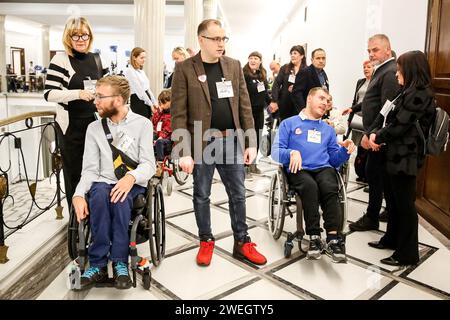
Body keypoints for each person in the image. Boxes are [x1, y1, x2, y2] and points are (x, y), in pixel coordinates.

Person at [171, 19, 267, 267]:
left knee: (238, 194)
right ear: (201, 39)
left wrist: (251, 142)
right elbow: (178, 113)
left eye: (224, 38)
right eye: (216, 39)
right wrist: (182, 151)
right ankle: (206, 240)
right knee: (202, 194)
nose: (221, 43)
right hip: (202, 140)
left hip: (231, 140)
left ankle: (242, 241)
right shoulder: (184, 69)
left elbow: (244, 106)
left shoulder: (234, 66)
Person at [72, 75, 156, 290]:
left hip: (133, 181)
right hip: (104, 180)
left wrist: (130, 178)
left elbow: (149, 165)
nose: (95, 101)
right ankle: (98, 263)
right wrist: (79, 194)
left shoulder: (143, 124)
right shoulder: (94, 129)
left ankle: (120, 261)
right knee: (99, 196)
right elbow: (90, 170)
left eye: (100, 97)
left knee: (120, 200)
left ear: (118, 100)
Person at [271, 87, 355, 263]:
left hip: (323, 168)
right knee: (310, 187)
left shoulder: (328, 129)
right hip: (299, 169)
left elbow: (334, 160)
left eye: (327, 100)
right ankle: (314, 237)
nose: (325, 103)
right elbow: (276, 151)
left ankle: (333, 238)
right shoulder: (289, 123)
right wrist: (291, 153)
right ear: (309, 99)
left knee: (330, 186)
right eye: (321, 98)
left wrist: (345, 150)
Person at [367, 51, 435, 266]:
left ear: (411, 69)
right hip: (395, 154)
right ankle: (391, 239)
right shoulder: (407, 91)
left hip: (406, 157)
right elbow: (388, 116)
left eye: (400, 69)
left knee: (405, 206)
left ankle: (407, 254)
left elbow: (400, 125)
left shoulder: (420, 94)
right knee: (394, 202)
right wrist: (376, 132)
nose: (397, 73)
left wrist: (377, 136)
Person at [44, 17, 108, 207]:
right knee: (75, 172)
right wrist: (78, 94)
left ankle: (95, 214)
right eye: (75, 35)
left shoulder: (95, 58)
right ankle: (76, 219)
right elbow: (49, 93)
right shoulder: (61, 59)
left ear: (90, 36)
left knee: (97, 170)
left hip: (95, 123)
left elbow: (104, 86)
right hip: (71, 127)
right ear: (68, 38)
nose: (81, 39)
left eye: (84, 35)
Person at [342, 34, 400, 232]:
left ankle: (372, 216)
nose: (371, 54)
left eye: (375, 50)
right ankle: (378, 213)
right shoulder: (381, 69)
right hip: (375, 133)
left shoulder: (390, 71)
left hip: (379, 137)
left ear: (387, 49)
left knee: (374, 175)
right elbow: (372, 100)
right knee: (374, 174)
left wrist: (372, 133)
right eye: (369, 50)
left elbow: (387, 107)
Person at [243, 51, 271, 174]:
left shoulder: (261, 76)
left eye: (256, 58)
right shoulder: (244, 74)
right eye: (251, 58)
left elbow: (265, 93)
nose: (253, 60)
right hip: (247, 112)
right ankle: (245, 166)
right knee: (248, 138)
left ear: (260, 61)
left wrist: (271, 103)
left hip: (259, 111)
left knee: (258, 136)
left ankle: (253, 164)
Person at [348, 60, 374, 183]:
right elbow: (355, 100)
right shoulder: (360, 82)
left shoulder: (376, 82)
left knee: (367, 147)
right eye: (364, 67)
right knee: (359, 147)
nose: (366, 69)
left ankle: (367, 174)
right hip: (357, 118)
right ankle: (360, 172)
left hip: (369, 119)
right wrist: (350, 117)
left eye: (369, 66)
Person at [269, 45, 307, 121]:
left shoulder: (306, 70)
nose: (292, 55)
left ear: (302, 56)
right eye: (291, 53)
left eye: (295, 53)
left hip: (299, 106)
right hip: (285, 104)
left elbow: (309, 88)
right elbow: (276, 84)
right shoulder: (285, 68)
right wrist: (274, 100)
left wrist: (296, 88)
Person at [124, 47, 158, 118]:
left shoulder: (141, 71)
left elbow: (148, 89)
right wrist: (150, 104)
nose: (144, 60)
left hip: (146, 100)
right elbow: (140, 91)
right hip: (138, 101)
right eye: (141, 58)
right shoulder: (129, 71)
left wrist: (154, 102)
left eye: (145, 57)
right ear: (134, 58)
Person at [152, 89, 173, 162]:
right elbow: (154, 122)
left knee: (159, 142)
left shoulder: (172, 115)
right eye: (161, 103)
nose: (162, 105)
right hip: (159, 137)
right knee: (150, 136)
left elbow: (168, 128)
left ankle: (159, 163)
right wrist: (158, 111)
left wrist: (161, 136)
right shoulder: (161, 113)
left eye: (164, 103)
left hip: (168, 140)